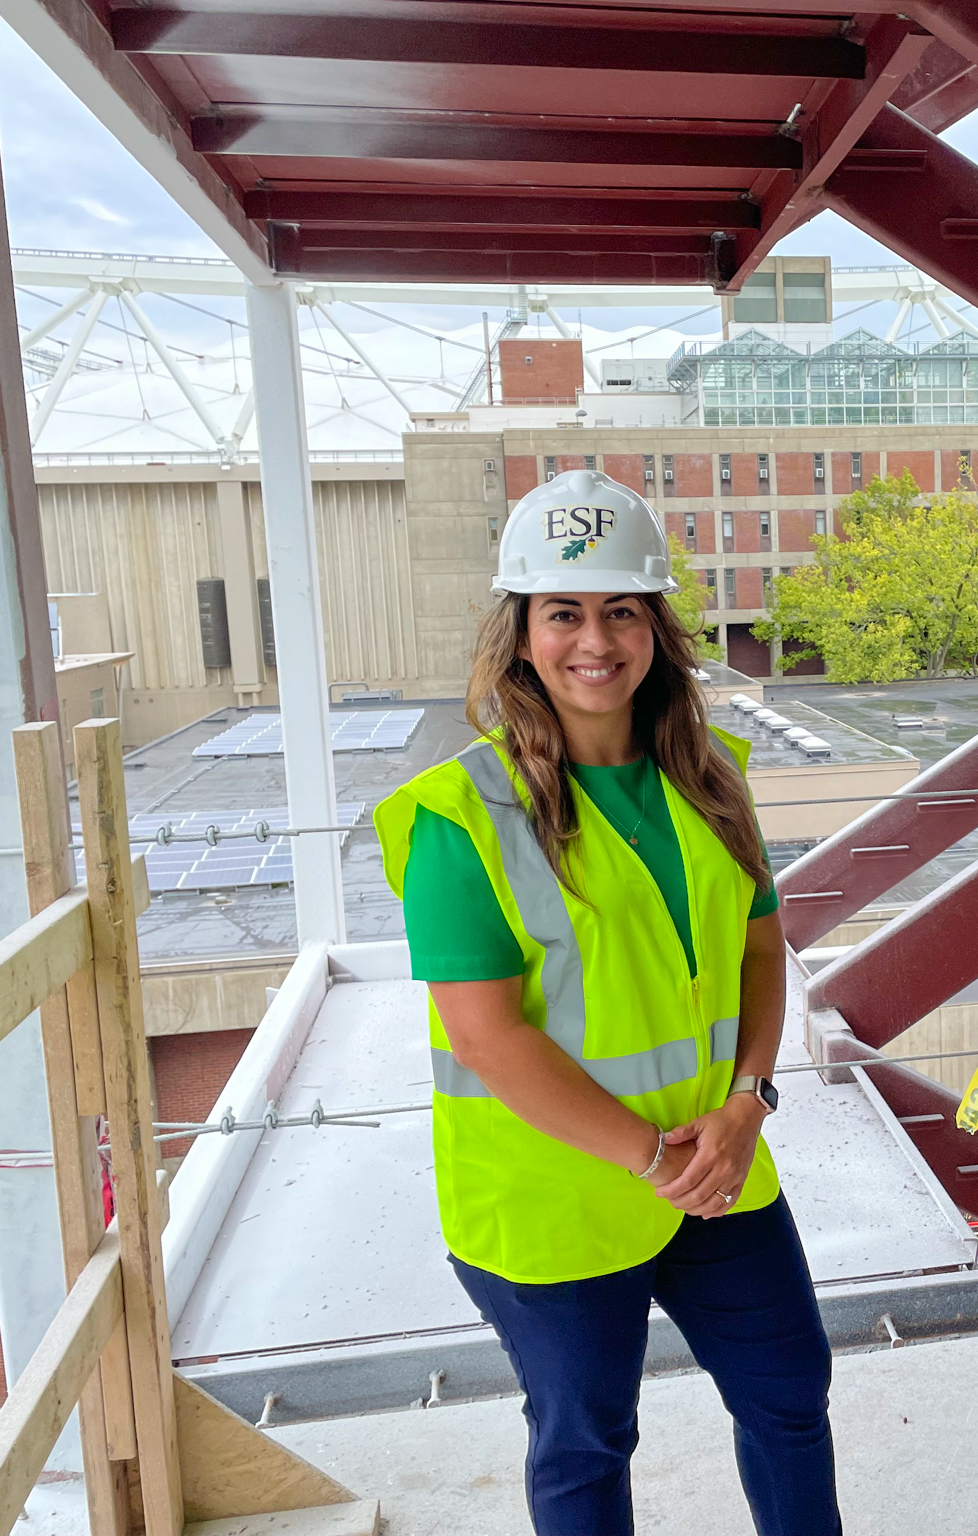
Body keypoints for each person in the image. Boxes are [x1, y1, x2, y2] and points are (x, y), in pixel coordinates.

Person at [373, 469, 839, 1536]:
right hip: (555, 1198)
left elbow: (761, 950)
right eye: (564, 612)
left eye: (621, 609)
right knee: (586, 1445)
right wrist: (652, 1157)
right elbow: (486, 1039)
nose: (595, 639)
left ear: (655, 627)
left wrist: (749, 1101)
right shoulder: (461, 818)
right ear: (522, 632)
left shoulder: (713, 773)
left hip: (716, 1163)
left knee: (788, 1393)